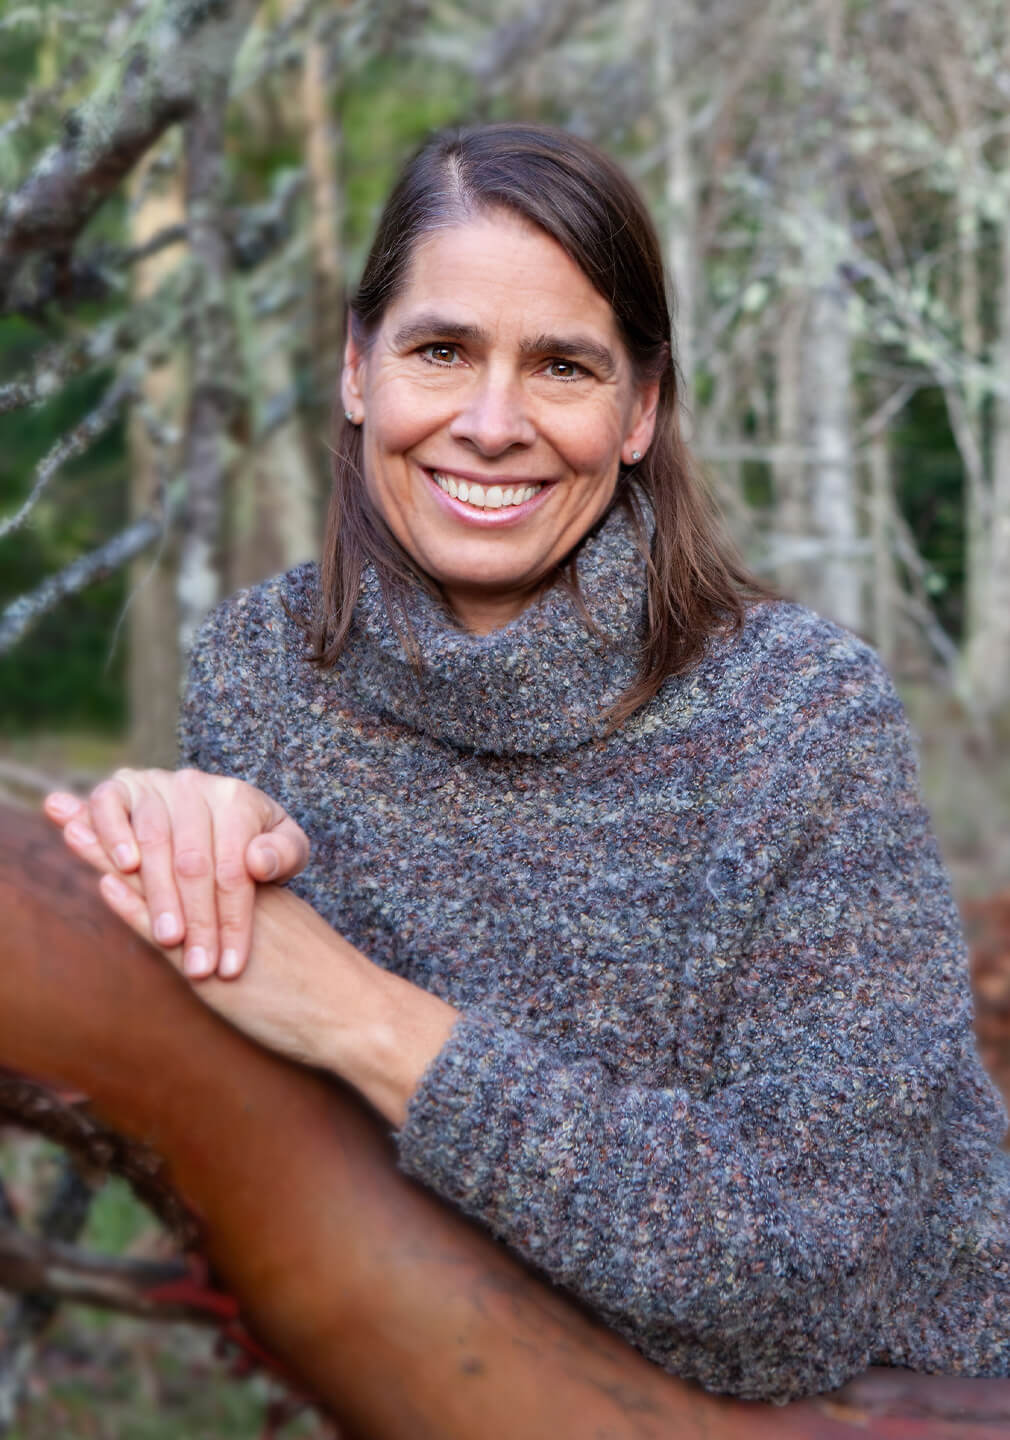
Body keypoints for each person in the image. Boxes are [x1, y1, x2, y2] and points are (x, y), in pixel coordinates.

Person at [44, 122, 1010, 1408]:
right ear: (356, 370)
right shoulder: (259, 676)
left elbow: (803, 1288)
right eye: (440, 351)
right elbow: (288, 1166)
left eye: (561, 366)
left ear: (638, 410)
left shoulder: (795, 714)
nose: (490, 425)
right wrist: (155, 848)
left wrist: (365, 1014)